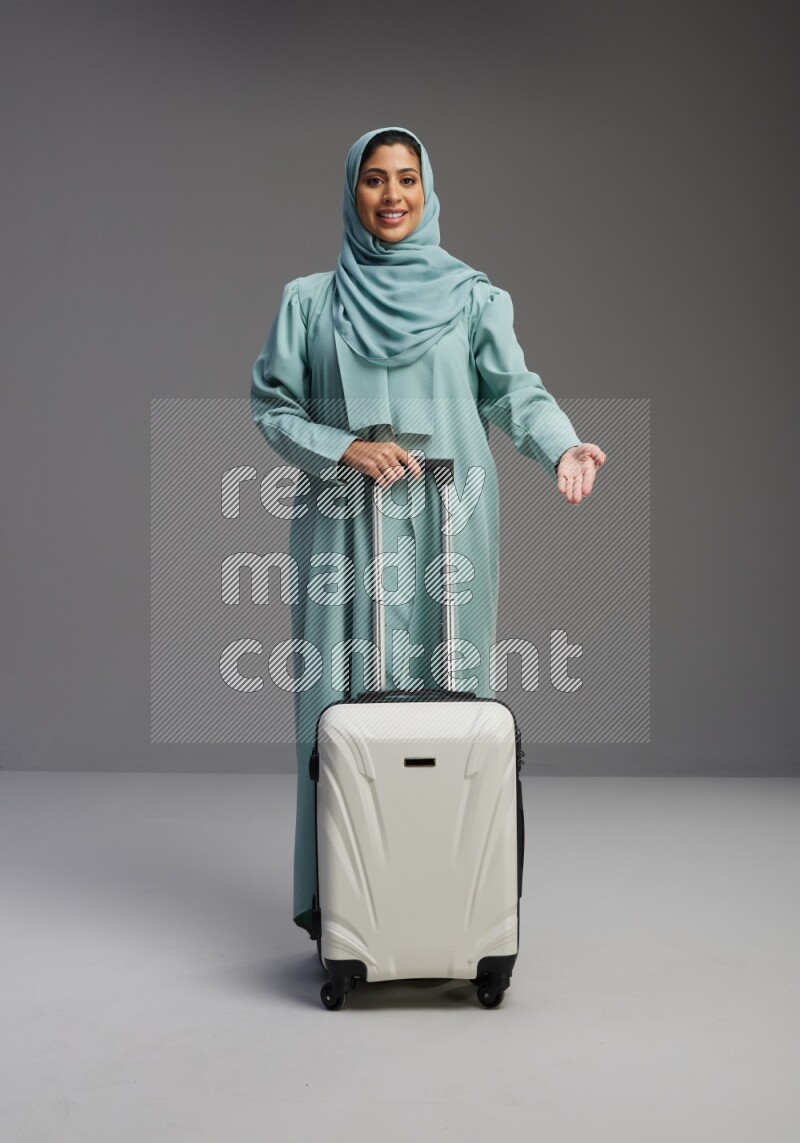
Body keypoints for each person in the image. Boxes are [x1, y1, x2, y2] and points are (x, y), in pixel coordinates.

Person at [250, 126, 606, 937]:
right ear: (353, 193)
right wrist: (342, 446)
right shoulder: (311, 301)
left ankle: (455, 904)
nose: (392, 196)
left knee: (453, 704)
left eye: (407, 178)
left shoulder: (474, 298)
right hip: (344, 530)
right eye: (374, 180)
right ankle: (342, 907)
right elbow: (273, 408)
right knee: (336, 707)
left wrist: (563, 443)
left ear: (428, 188)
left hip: (452, 525)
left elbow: (516, 392)